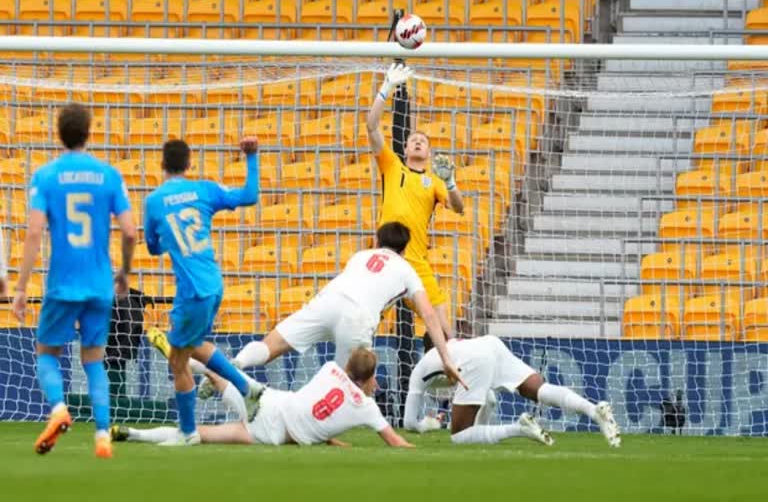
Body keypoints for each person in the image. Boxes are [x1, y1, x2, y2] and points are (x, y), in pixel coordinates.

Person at [12, 103, 137, 458]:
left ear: (59, 133)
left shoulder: (46, 176)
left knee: (47, 353)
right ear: (89, 132)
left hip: (62, 284)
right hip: (100, 285)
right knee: (94, 360)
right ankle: (102, 436)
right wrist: (125, 273)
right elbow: (130, 231)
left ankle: (58, 408)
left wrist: (21, 288)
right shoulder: (109, 175)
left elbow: (35, 231)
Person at [213, 221, 465, 395]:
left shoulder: (360, 256)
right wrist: (446, 358)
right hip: (357, 316)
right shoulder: (408, 270)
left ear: (377, 241)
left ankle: (238, 363)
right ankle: (319, 424)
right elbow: (430, 314)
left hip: (327, 300)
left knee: (272, 346)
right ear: (405, 248)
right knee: (352, 386)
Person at [142, 137, 263, 446]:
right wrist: (251, 157)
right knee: (196, 346)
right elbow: (250, 196)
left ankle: (188, 432)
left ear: (162, 164)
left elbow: (153, 247)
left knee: (178, 363)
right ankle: (247, 388)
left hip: (192, 292)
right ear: (189, 164)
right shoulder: (204, 190)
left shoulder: (154, 202)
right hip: (213, 285)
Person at [111, 348, 414, 448]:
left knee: (224, 374)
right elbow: (395, 442)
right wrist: (411, 446)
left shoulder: (330, 368)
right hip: (271, 432)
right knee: (196, 435)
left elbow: (315, 407)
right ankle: (136, 435)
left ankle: (189, 361)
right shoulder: (368, 408)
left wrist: (329, 438)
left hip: (272, 401)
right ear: (369, 378)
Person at [366, 63, 465, 340]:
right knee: (366, 321)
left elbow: (459, 208)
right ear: (406, 148)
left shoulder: (435, 181)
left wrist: (451, 183)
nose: (418, 142)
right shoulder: (392, 165)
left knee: (443, 326)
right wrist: (385, 89)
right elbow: (371, 127)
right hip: (385, 256)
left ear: (430, 152)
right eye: (413, 140)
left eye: (423, 141)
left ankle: (450, 374)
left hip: (415, 262)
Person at [403, 336, 622, 447]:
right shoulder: (457, 344)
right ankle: (594, 410)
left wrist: (432, 424)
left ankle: (519, 428)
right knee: (540, 389)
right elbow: (487, 399)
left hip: (477, 359)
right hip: (490, 344)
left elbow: (409, 424)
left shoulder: (421, 367)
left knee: (459, 437)